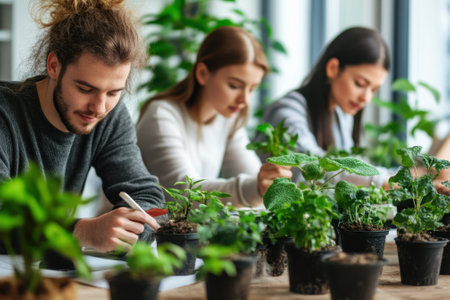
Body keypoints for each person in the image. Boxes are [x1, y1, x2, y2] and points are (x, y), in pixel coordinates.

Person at [0, 0, 163, 253]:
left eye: (113, 92)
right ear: (53, 65)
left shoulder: (109, 116)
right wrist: (81, 232)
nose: (98, 108)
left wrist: (132, 230)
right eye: (85, 89)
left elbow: (147, 195)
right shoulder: (5, 114)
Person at [136, 26, 292, 207]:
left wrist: (267, 184)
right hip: (134, 233)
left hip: (183, 231)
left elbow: (253, 177)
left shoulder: (227, 118)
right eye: (234, 86)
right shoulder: (161, 116)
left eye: (251, 89)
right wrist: (255, 189)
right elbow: (185, 192)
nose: (245, 100)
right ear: (202, 74)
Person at [255, 26, 394, 187]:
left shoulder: (341, 117)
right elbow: (316, 168)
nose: (366, 98)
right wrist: (384, 181)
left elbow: (352, 169)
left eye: (374, 90)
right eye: (360, 84)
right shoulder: (287, 112)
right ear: (333, 68)